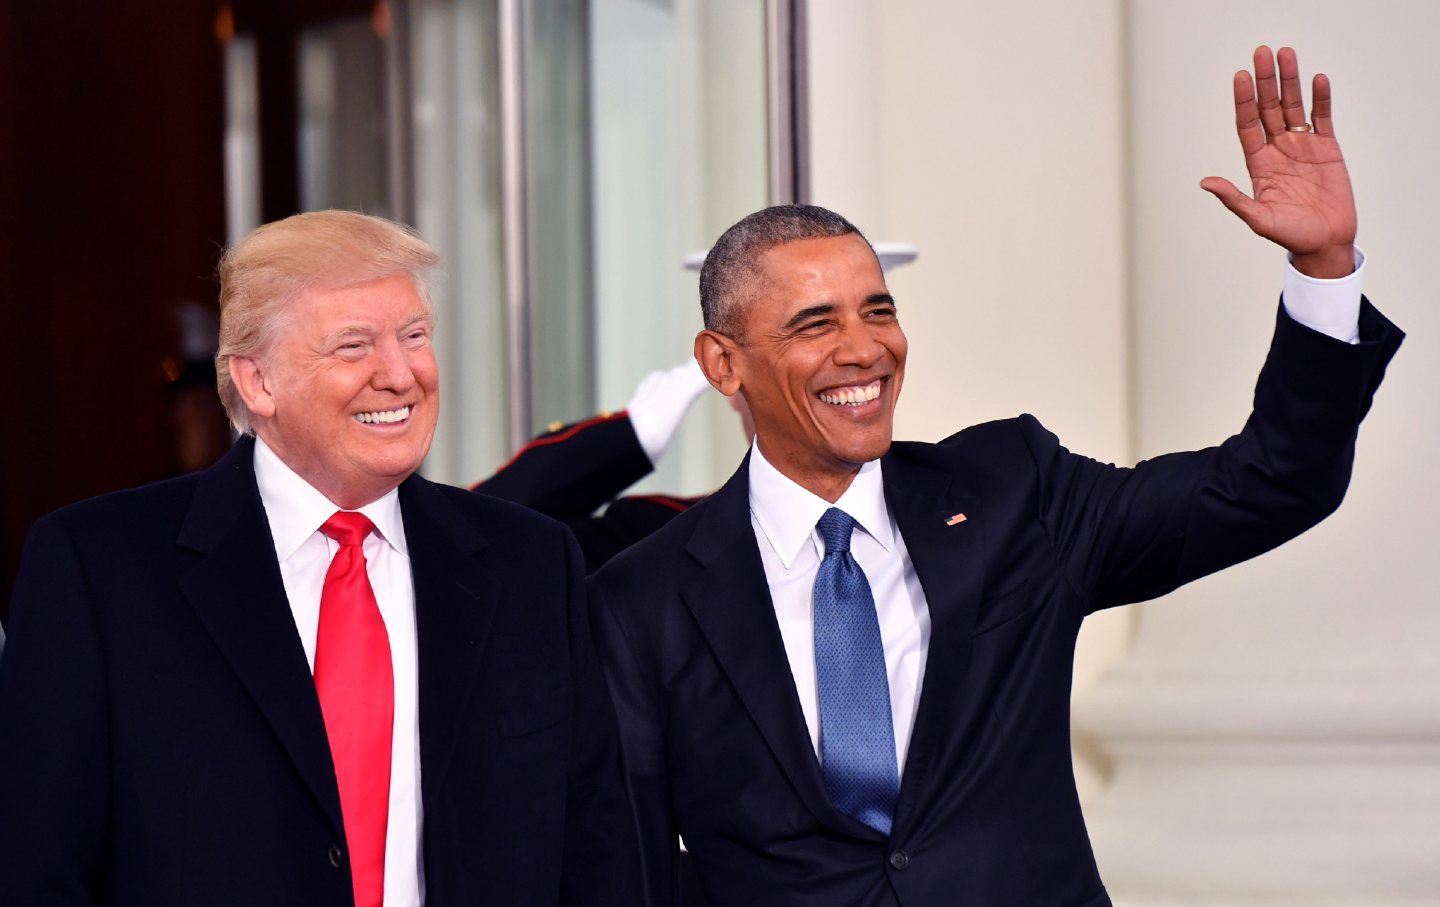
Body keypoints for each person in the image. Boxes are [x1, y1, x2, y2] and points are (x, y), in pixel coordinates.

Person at [591, 46, 1403, 906]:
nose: (864, 348)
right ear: (724, 363)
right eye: (814, 323)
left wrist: (1322, 272)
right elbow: (631, 871)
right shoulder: (642, 600)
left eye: (879, 310)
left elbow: (1271, 483)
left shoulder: (1014, 492)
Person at [0, 211, 640, 905]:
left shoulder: (532, 563)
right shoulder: (96, 571)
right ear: (257, 383)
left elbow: (597, 851)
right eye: (352, 346)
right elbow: (39, 869)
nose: (399, 374)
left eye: (414, 337)